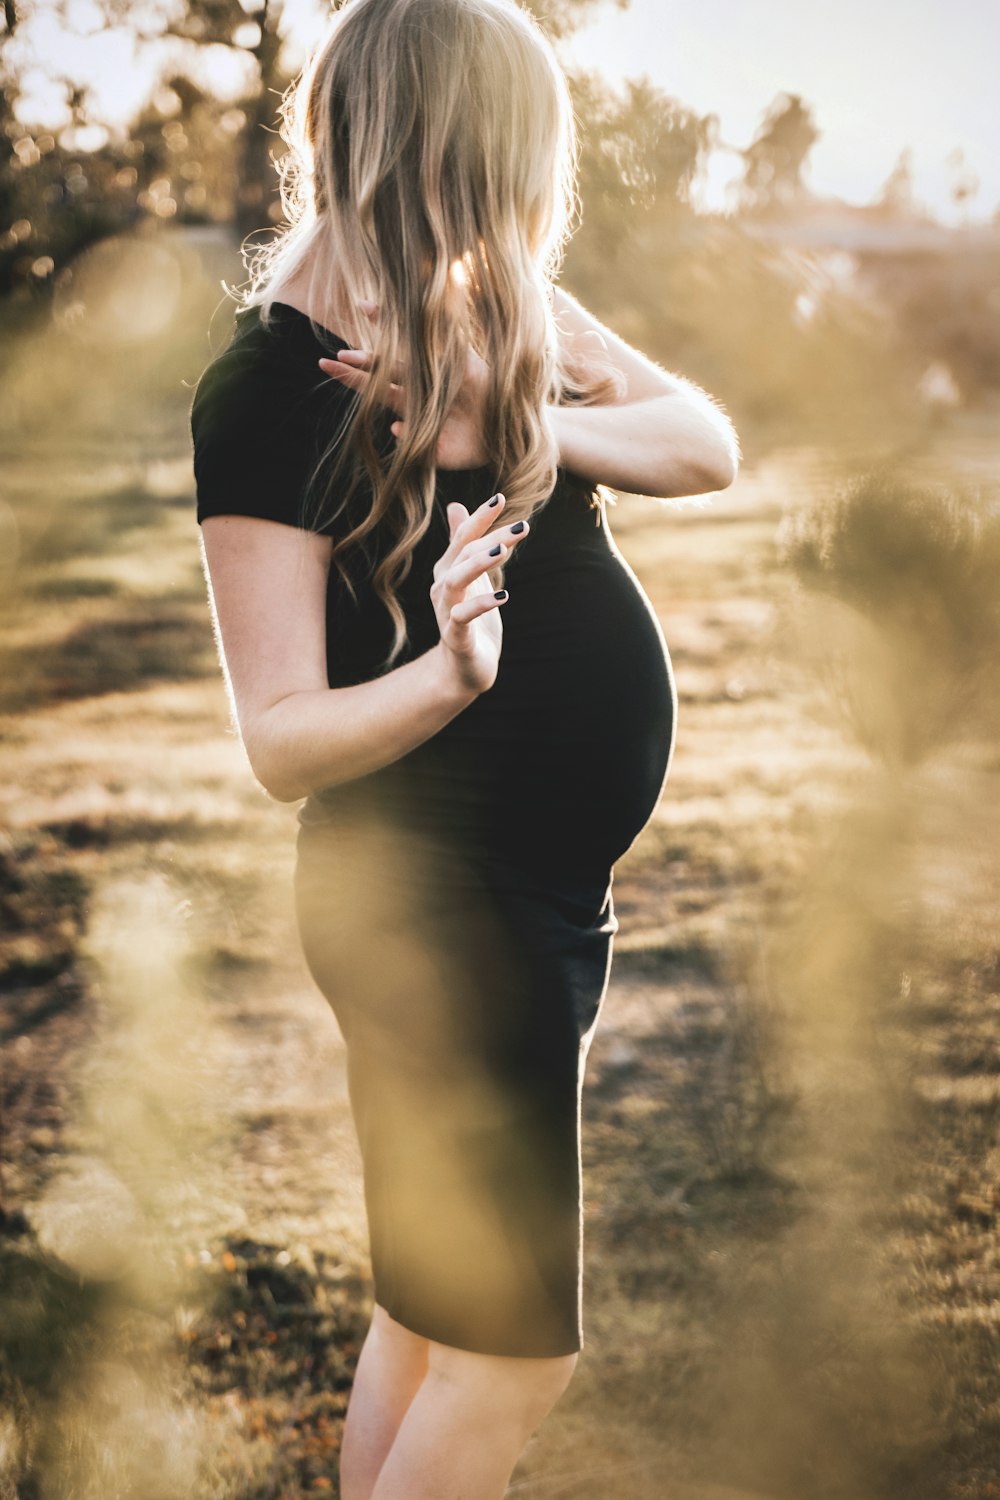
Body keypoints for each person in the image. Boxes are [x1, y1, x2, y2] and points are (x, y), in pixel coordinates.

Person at [189, 1, 740, 1495]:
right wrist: (447, 676)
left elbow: (706, 445)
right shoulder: (268, 393)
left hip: (526, 903)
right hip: (437, 913)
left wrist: (518, 417)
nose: (523, 211)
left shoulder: (487, 317)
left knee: (429, 1319)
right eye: (512, 170)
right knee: (514, 1356)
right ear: (446, 153)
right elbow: (283, 743)